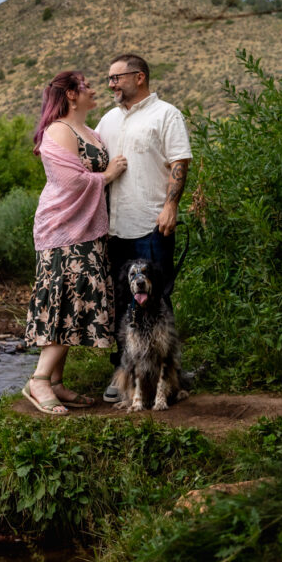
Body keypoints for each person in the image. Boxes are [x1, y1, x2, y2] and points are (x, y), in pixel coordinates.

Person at [23, 70, 127, 414]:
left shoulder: (90, 132)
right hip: (62, 229)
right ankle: (38, 380)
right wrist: (108, 175)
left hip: (87, 230)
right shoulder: (58, 130)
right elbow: (71, 182)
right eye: (86, 87)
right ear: (70, 94)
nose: (93, 91)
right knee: (63, 301)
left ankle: (55, 382)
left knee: (73, 301)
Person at [95, 53, 192, 399]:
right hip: (114, 228)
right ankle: (123, 373)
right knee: (122, 302)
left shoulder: (166, 114)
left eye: (116, 77)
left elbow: (179, 161)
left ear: (139, 77)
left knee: (159, 300)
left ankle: (169, 376)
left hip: (153, 224)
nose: (111, 84)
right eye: (108, 78)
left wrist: (171, 205)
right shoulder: (106, 120)